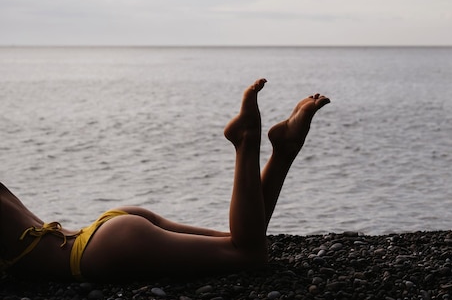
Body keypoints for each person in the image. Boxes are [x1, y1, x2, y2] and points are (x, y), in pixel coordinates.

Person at [0, 79, 330, 281]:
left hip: (101, 251)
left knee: (249, 255)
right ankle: (284, 151)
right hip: (100, 231)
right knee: (241, 239)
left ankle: (247, 142)